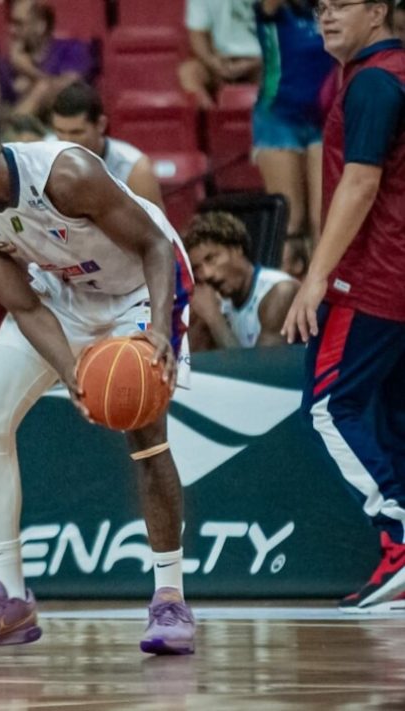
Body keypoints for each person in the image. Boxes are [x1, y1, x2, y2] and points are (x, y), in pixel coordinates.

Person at [0, 84, 196, 655]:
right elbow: (22, 304)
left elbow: (155, 246)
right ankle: (10, 599)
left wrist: (159, 331)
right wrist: (73, 372)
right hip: (61, 296)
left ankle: (170, 599)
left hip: (140, 291)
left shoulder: (65, 175)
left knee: (144, 434)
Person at [283, 0, 405, 614]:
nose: (326, 16)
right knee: (388, 416)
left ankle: (400, 538)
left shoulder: (376, 81)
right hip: (396, 278)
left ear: (379, 11)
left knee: (331, 407)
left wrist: (315, 278)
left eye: (341, 5)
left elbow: (360, 184)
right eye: (320, 7)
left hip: (374, 277)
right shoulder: (387, 73)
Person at [253, 0, 336, 237]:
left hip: (325, 119)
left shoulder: (330, 13)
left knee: (323, 221)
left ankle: (318, 274)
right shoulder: (273, 11)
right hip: (279, 118)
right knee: (290, 221)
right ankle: (284, 273)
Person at [183, 211, 298, 350]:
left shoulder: (280, 292)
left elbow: (263, 370)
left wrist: (213, 318)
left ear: (237, 248)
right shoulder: (217, 302)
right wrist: (199, 323)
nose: (206, 274)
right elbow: (191, 363)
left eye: (211, 258)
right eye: (197, 268)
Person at [50, 82, 165, 210]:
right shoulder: (41, 156)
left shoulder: (135, 169)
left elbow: (156, 228)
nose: (67, 141)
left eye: (76, 132)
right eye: (59, 131)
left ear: (101, 125)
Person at [0, 0, 95, 120]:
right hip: (22, 131)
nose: (11, 30)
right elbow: (0, 107)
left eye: (19, 24)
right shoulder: (6, 63)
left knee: (42, 87)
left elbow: (68, 91)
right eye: (10, 23)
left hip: (63, 126)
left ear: (41, 25)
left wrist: (28, 71)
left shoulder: (71, 50)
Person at [179, 0, 263, 109]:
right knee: (189, 72)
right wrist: (212, 61)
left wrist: (255, 63)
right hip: (221, 59)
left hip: (263, 62)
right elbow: (197, 36)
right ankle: (213, 120)